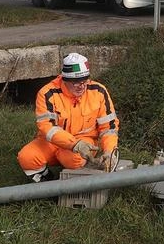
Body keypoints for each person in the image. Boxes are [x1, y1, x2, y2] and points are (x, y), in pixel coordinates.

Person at [17, 52, 120, 182]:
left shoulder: (98, 91)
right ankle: (47, 182)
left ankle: (75, 173)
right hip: (52, 142)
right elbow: (47, 127)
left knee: (75, 160)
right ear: (64, 80)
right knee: (27, 157)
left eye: (85, 80)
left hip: (84, 141)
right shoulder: (47, 93)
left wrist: (109, 151)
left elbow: (109, 126)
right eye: (76, 82)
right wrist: (74, 144)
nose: (82, 86)